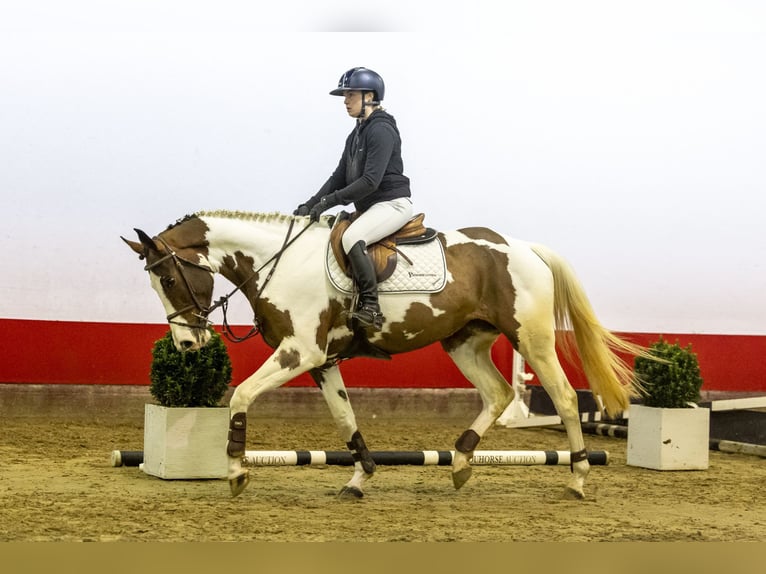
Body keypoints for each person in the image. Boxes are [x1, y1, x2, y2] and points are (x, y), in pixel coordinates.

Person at [294, 67, 413, 330]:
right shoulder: (357, 133)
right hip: (373, 207)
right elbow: (339, 176)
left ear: (369, 96)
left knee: (351, 237)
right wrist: (312, 203)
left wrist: (330, 201)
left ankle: (371, 307)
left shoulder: (381, 130)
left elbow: (370, 182)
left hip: (392, 204)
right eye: (344, 96)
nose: (345, 101)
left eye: (351, 95)